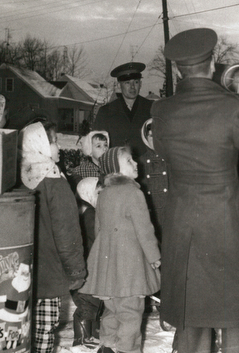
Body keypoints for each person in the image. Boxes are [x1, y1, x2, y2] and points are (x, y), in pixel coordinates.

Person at [151, 28, 239, 353]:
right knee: (232, 315)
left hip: (183, 225)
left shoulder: (161, 111)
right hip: (225, 225)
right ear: (212, 65)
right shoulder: (234, 107)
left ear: (178, 69)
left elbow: (165, 153)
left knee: (193, 317)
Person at [79, 146, 161, 353]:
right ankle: (127, 349)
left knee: (113, 309)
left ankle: (107, 345)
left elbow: (98, 229)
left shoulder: (104, 193)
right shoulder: (133, 193)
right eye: (129, 161)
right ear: (115, 169)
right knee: (131, 312)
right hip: (130, 265)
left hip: (108, 265)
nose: (136, 163)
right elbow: (144, 229)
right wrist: (154, 257)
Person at [19, 121, 86, 353]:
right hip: (48, 276)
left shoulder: (18, 175)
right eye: (54, 141)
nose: (59, 147)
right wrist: (76, 272)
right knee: (43, 333)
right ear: (41, 145)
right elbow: (67, 233)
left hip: (18, 276)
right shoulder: (54, 180)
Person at [66, 131, 109, 348]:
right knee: (87, 306)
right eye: (99, 194)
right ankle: (81, 339)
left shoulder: (89, 212)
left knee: (94, 304)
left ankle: (89, 336)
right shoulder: (90, 215)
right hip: (87, 273)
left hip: (92, 271)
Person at [91, 62, 153, 161]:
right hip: (117, 169)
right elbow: (96, 146)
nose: (132, 87)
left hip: (146, 169)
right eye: (127, 83)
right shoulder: (105, 112)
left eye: (136, 82)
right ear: (119, 85)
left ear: (140, 84)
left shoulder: (152, 109)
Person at [138, 118, 168, 241]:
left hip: (169, 216)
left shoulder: (172, 160)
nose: (155, 140)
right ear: (145, 137)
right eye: (151, 136)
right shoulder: (139, 162)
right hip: (151, 217)